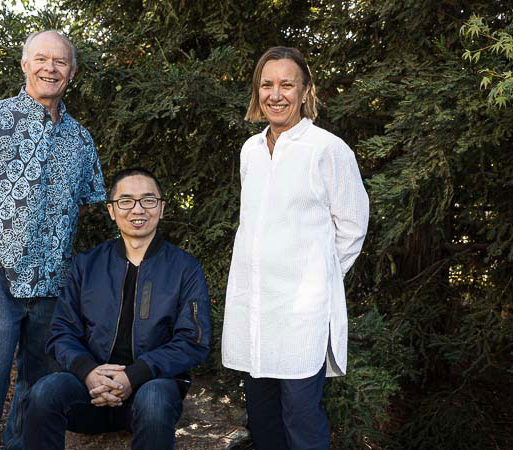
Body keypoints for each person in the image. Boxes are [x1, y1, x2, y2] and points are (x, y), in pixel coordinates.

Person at [0, 30, 106, 450]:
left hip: (52, 287)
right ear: (25, 64)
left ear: (73, 72)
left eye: (61, 62)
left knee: (38, 390)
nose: (51, 68)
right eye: (42, 59)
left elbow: (85, 202)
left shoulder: (80, 138)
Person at [222, 47, 370, 450]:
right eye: (267, 84)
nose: (276, 94)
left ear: (305, 91)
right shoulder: (250, 150)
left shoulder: (327, 149)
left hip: (302, 315)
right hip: (255, 309)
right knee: (264, 419)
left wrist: (315, 278)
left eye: (287, 84)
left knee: (302, 421)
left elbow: (353, 226)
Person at [23, 168, 211, 450]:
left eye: (148, 200)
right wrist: (88, 372)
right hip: (90, 389)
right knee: (44, 393)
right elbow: (62, 332)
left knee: (156, 400)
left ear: (161, 208)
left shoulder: (185, 268)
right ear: (112, 211)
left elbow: (192, 341)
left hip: (150, 388)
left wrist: (132, 377)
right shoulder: (87, 264)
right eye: (125, 201)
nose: (137, 209)